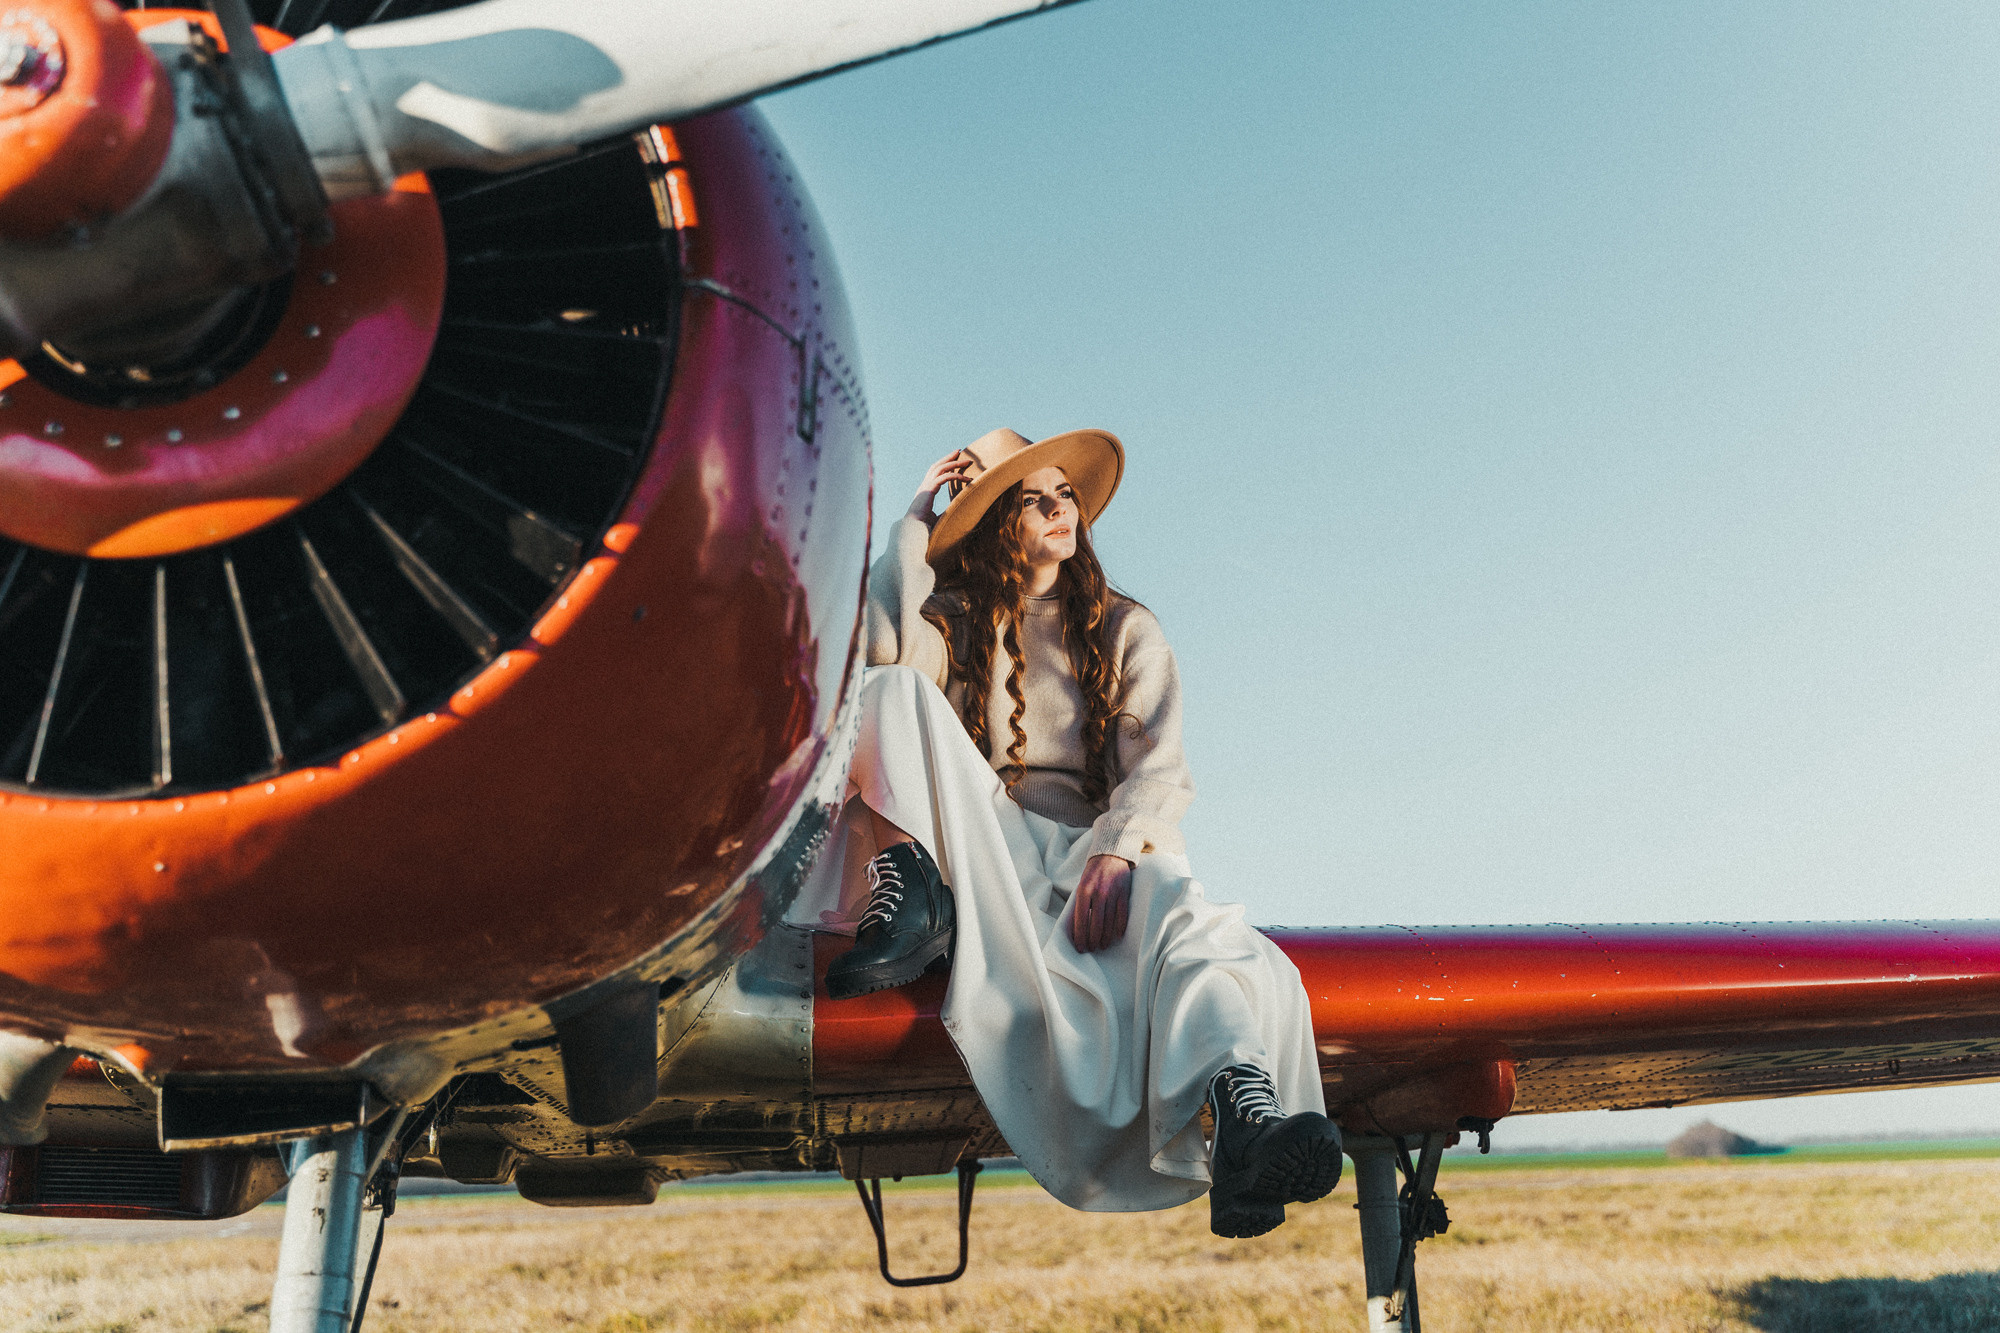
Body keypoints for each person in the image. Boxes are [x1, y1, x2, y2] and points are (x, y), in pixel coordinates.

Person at [823, 427, 1339, 1237]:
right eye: (1033, 499)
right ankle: (910, 896)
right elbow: (883, 665)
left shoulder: (1129, 627)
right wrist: (917, 525)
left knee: (1195, 926)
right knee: (887, 688)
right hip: (987, 846)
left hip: (1097, 853)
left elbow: (1160, 769)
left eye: (1063, 492)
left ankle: (1243, 1111)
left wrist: (1116, 847)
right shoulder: (955, 618)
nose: (1059, 509)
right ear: (999, 524)